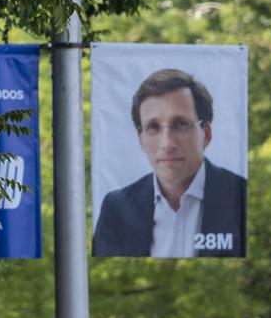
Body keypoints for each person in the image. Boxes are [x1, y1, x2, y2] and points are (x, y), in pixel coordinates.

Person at [92, 69, 246, 258]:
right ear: (140, 140)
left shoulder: (242, 197)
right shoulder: (116, 208)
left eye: (180, 124)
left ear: (206, 134)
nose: (167, 144)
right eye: (153, 127)